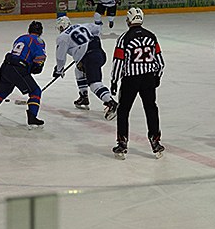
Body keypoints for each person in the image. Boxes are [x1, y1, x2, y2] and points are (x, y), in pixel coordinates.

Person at [109, 8, 166, 160]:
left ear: (129, 20)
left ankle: (122, 143)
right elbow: (160, 62)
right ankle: (155, 141)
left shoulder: (124, 38)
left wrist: (114, 81)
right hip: (148, 79)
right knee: (151, 109)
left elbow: (118, 62)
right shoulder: (151, 36)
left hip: (130, 80)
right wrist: (157, 76)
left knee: (123, 110)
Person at [0, 21, 46, 129]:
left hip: (6, 66)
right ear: (40, 32)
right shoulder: (38, 40)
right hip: (18, 69)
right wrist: (38, 66)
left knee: (2, 92)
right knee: (35, 91)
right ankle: (32, 117)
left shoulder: (21, 38)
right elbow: (40, 57)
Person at [54, 15, 118, 120]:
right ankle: (84, 97)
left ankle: (111, 103)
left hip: (90, 58)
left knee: (94, 83)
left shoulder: (63, 37)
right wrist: (95, 40)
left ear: (61, 27)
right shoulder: (82, 26)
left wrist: (59, 70)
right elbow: (97, 28)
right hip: (99, 53)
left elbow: (61, 58)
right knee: (79, 69)